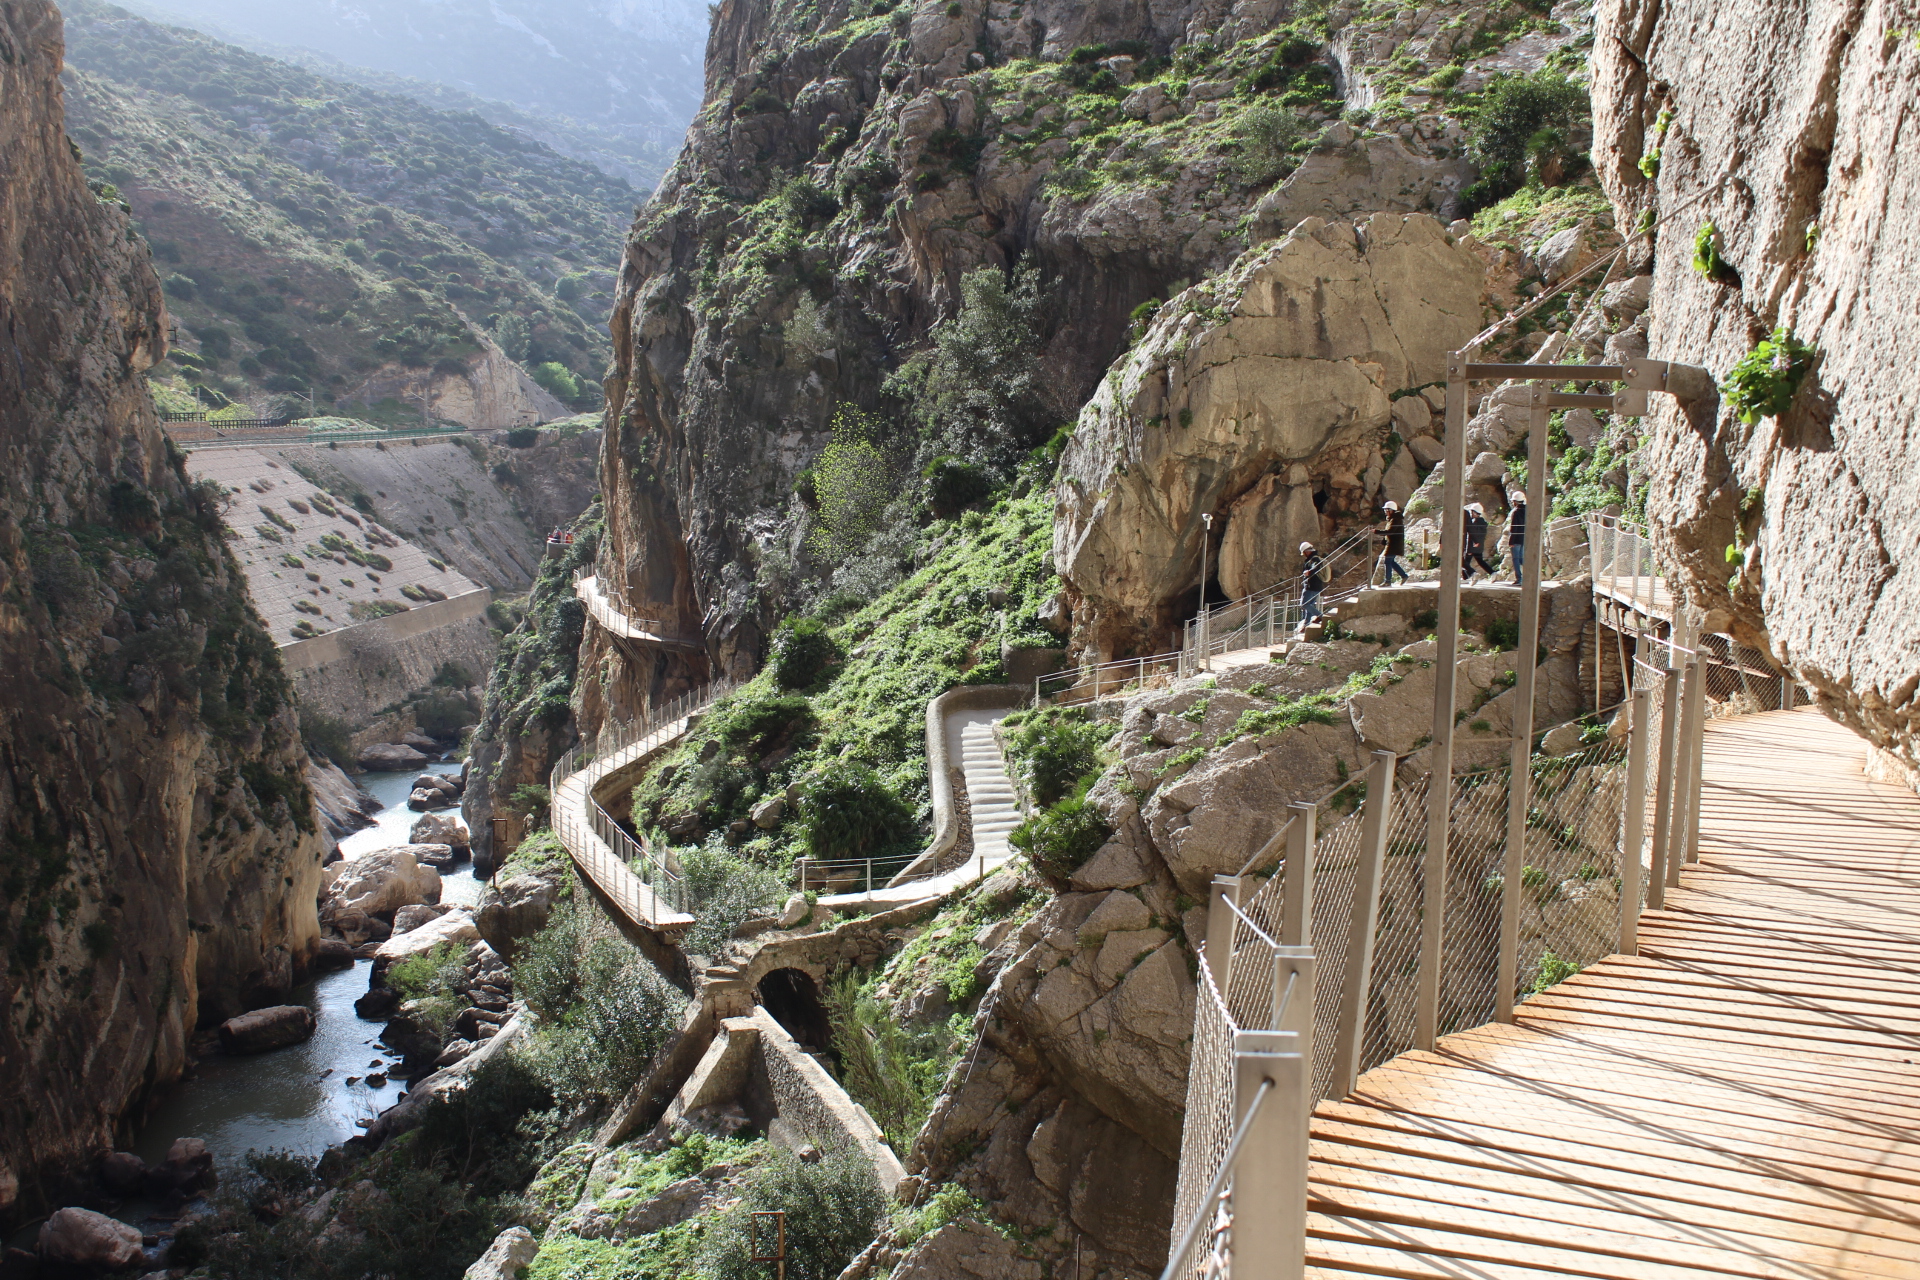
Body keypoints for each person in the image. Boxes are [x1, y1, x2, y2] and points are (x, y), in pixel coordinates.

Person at [1378, 500, 1410, 585]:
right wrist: (1385, 540)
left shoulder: (1395, 519)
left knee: (1388, 562)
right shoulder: (1393, 519)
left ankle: (1388, 581)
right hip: (1393, 544)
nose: (1385, 512)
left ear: (1391, 510)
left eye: (1387, 510)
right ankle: (1403, 576)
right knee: (1391, 561)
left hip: (1394, 544)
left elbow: (1390, 531)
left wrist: (1376, 532)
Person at [1463, 503, 1495, 580]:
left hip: (1472, 546)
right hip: (1478, 546)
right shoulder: (1482, 523)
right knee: (1480, 561)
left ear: (1474, 512)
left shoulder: (1474, 523)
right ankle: (1492, 573)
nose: (1470, 514)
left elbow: (1472, 534)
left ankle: (1468, 576)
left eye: (1471, 512)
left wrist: (1470, 547)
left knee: (1464, 562)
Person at [1300, 541, 1325, 624]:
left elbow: (1316, 568)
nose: (1304, 554)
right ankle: (1306, 622)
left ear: (1307, 551)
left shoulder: (1314, 559)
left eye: (1304, 553)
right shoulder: (1314, 558)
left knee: (1304, 604)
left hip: (1311, 586)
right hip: (1316, 586)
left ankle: (1322, 616)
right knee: (1309, 604)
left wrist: (1309, 572)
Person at [1506, 488, 1528, 580]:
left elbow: (1514, 527)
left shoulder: (1516, 512)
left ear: (1515, 502)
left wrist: (1511, 541)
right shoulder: (1528, 510)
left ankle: (1519, 578)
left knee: (1516, 559)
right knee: (1522, 559)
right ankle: (1529, 576)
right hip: (1524, 538)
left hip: (1516, 539)